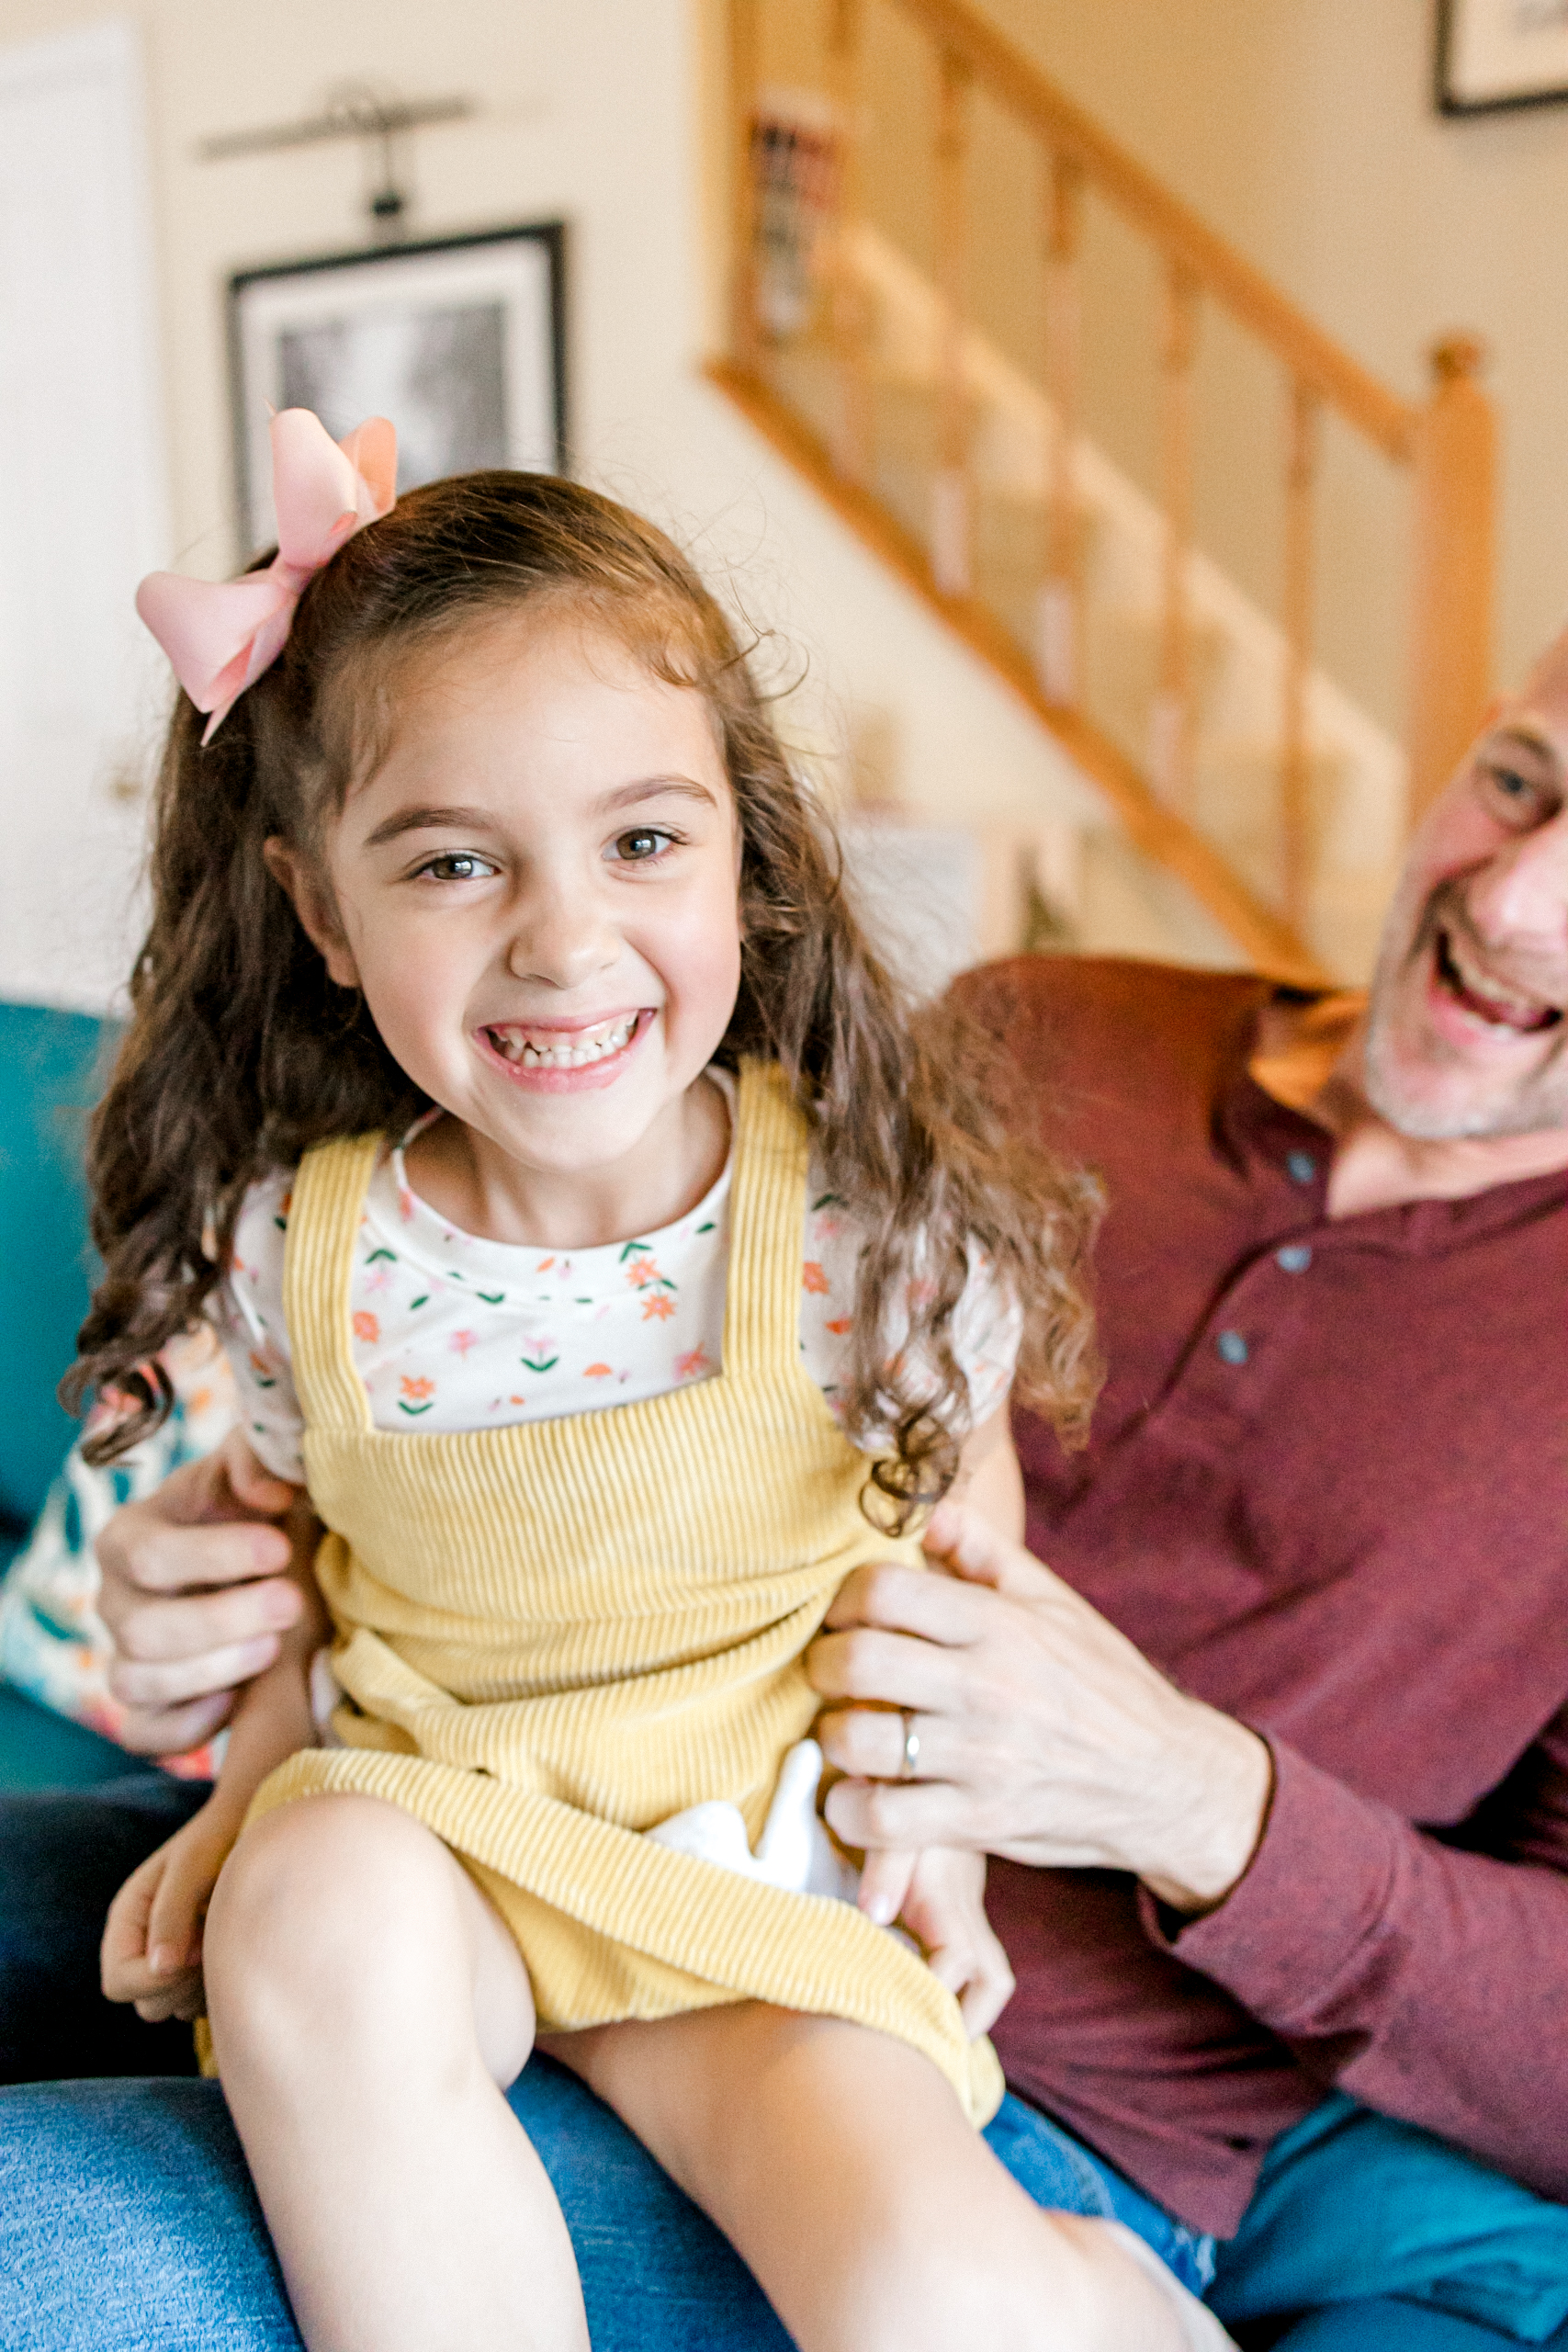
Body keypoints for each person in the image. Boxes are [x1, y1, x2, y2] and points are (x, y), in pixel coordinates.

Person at [2, 602, 1565, 2352]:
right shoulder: (1030, 1032)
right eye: (1519, 783)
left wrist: (1199, 1800)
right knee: (244, 1917)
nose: (1516, 903)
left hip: (884, 1979)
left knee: (30, 2258)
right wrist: (208, 1607)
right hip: (435, 1809)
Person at [39, 404, 1224, 2352]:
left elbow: (953, 1535)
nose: (562, 937)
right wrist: (241, 1784)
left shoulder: (856, 1217)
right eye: (449, 864)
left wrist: (934, 1828)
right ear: (321, 909)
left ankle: (1084, 2296)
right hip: (440, 1840)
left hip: (747, 1903)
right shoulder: (297, 1240)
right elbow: (294, 1565)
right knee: (310, 1903)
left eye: (641, 839)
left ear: (740, 852)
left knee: (931, 2292)